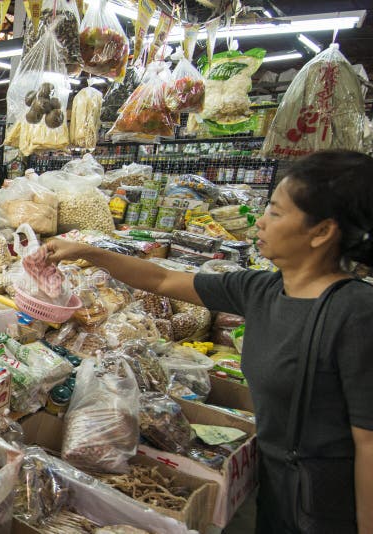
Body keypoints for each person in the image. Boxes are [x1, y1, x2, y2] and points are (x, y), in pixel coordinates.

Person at [45, 150, 373, 534]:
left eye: (277, 213)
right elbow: (162, 281)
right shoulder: (260, 289)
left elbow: (368, 444)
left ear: (322, 232)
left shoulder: (356, 314)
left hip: (334, 507)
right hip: (279, 489)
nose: (261, 221)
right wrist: (85, 251)